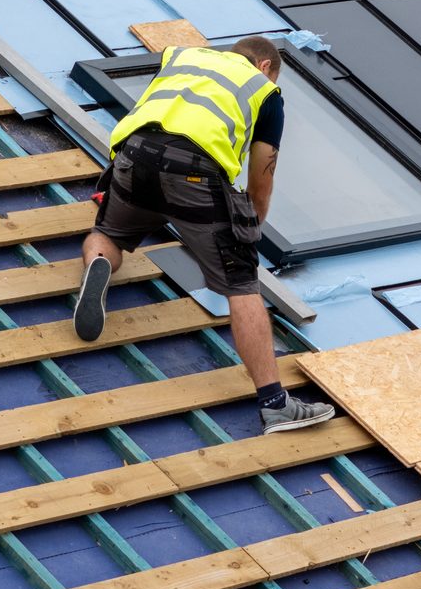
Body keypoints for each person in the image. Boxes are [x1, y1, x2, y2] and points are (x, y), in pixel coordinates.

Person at [71, 35, 336, 434]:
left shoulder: (183, 58)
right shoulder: (265, 91)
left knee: (108, 230)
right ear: (266, 67)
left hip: (133, 155)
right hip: (195, 172)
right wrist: (251, 229)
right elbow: (262, 174)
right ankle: (276, 404)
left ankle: (100, 264)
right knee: (242, 286)